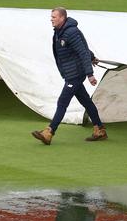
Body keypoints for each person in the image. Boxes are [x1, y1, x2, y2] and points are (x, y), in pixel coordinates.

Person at [31, 8, 107, 144]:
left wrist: (90, 74)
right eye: (51, 16)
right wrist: (92, 57)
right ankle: (99, 129)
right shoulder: (59, 32)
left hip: (75, 74)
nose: (51, 19)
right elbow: (81, 48)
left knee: (62, 102)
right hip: (70, 73)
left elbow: (82, 52)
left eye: (54, 17)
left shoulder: (71, 32)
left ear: (62, 18)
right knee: (86, 101)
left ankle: (49, 132)